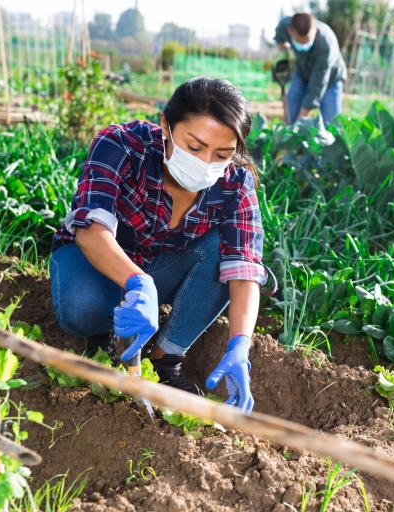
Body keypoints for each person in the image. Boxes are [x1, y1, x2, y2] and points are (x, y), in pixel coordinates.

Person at [50, 78, 269, 413]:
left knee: (226, 253)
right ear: (166, 125)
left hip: (164, 269)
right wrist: (138, 282)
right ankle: (104, 332)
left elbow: (244, 267)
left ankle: (167, 357)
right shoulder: (123, 145)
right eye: (195, 147)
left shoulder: (234, 182)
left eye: (222, 154)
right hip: (98, 265)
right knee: (82, 306)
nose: (206, 162)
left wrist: (241, 344)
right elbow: (91, 229)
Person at [274, 12, 347, 125]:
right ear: (290, 32)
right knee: (290, 113)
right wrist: (281, 45)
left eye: (307, 41)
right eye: (300, 42)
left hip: (330, 80)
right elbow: (279, 33)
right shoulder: (286, 25)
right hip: (302, 74)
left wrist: (300, 120)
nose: (304, 45)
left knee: (332, 125)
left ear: (314, 29)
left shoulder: (326, 44)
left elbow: (317, 86)